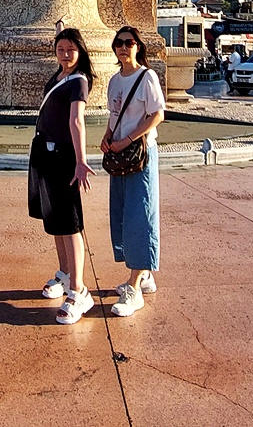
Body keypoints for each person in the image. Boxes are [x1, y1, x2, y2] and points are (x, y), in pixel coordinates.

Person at [32, 27, 97, 325]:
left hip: (64, 156)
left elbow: (77, 121)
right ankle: (65, 273)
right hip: (45, 152)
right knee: (55, 218)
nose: (65, 54)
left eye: (71, 49)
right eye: (60, 49)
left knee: (70, 223)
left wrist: (81, 161)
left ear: (80, 51)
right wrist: (61, 31)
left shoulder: (79, 81)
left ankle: (79, 291)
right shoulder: (59, 75)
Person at [101, 25, 165, 318]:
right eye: (119, 43)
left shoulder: (147, 76)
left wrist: (128, 139)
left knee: (140, 215)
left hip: (140, 153)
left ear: (138, 47)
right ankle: (144, 274)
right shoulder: (115, 80)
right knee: (123, 213)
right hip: (119, 154)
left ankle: (134, 287)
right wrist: (107, 136)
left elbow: (157, 114)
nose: (123, 47)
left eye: (129, 43)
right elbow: (114, 114)